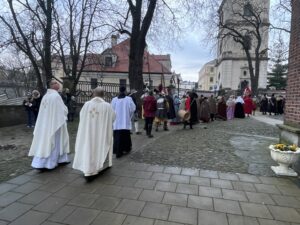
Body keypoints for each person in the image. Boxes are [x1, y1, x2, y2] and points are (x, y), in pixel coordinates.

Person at [73, 87, 115, 180]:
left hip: (88, 132)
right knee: (99, 148)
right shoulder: (107, 106)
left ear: (94, 94)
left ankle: (87, 167)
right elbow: (113, 117)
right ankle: (97, 167)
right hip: (101, 133)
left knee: (88, 148)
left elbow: (81, 116)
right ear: (103, 94)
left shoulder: (86, 104)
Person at [28, 79, 70, 169]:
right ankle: (51, 162)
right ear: (52, 85)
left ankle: (41, 163)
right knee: (55, 142)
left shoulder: (46, 96)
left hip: (45, 124)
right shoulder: (55, 96)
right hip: (55, 124)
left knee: (44, 142)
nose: (58, 84)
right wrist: (66, 109)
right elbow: (62, 110)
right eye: (56, 83)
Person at [111, 86, 136, 158]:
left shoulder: (114, 100)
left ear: (119, 91)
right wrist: (129, 115)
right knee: (125, 136)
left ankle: (117, 150)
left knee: (117, 136)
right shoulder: (128, 99)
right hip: (125, 121)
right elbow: (132, 108)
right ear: (125, 91)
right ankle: (125, 148)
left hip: (117, 122)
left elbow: (111, 109)